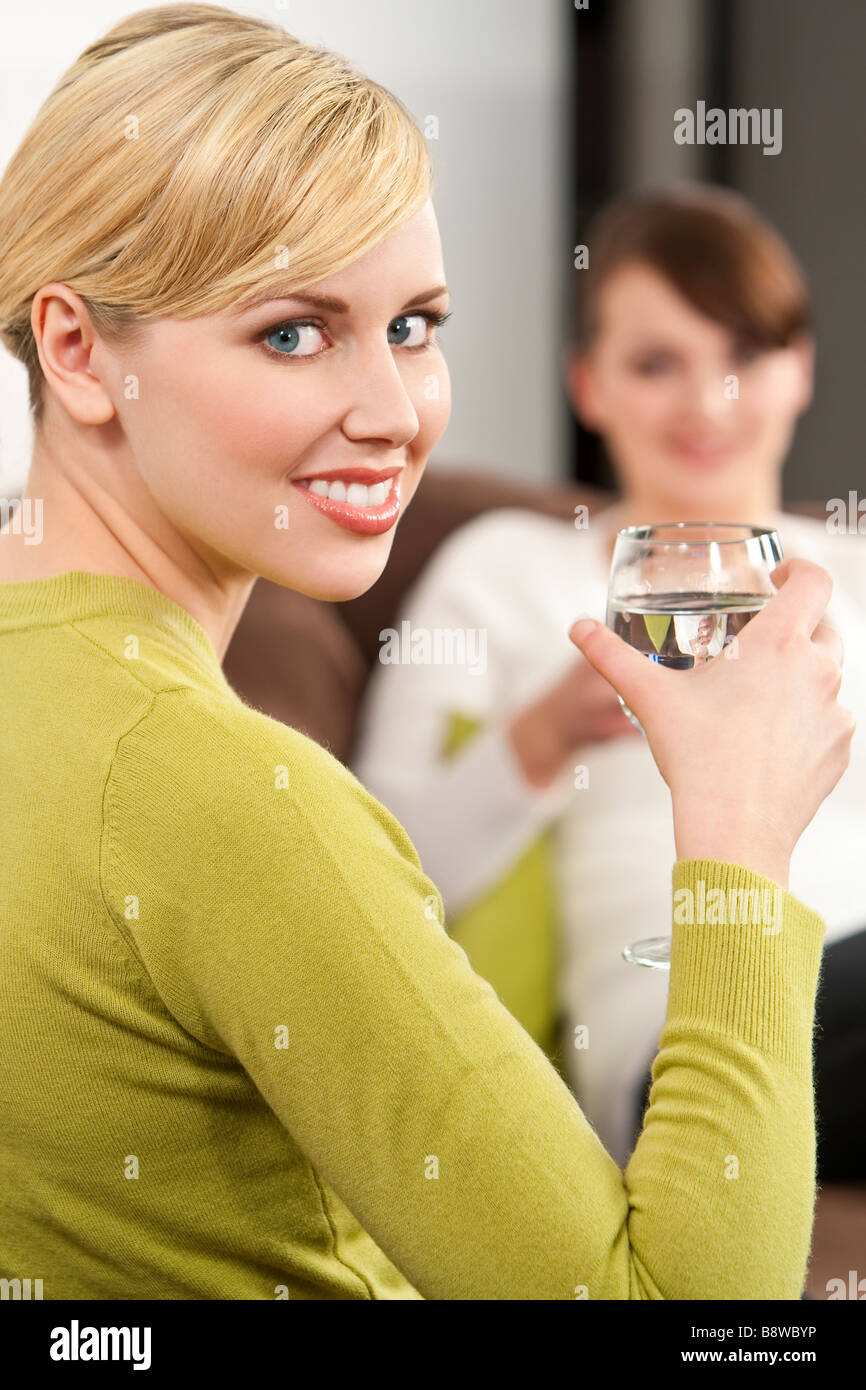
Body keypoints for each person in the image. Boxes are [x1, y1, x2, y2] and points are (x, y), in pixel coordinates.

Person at [0, 8, 853, 1301]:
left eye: (413, 324)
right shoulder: (226, 795)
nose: (397, 414)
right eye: (292, 331)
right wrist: (734, 834)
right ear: (77, 350)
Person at [353, 184, 866, 1174]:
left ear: (797, 371)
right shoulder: (506, 569)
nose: (703, 402)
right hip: (681, 1033)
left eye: (743, 355)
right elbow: (378, 881)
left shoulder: (847, 572)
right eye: (653, 363)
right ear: (586, 385)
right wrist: (542, 736)